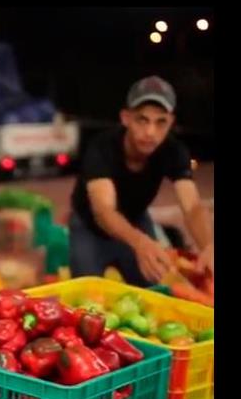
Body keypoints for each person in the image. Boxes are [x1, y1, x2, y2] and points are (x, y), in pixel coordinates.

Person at [69, 76, 214, 286]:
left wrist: (208, 246)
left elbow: (192, 206)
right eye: (142, 120)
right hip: (90, 226)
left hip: (136, 219)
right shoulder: (101, 148)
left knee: (153, 288)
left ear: (171, 122)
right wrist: (141, 242)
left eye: (161, 122)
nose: (150, 132)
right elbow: (104, 212)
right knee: (86, 292)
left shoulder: (174, 150)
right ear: (126, 118)